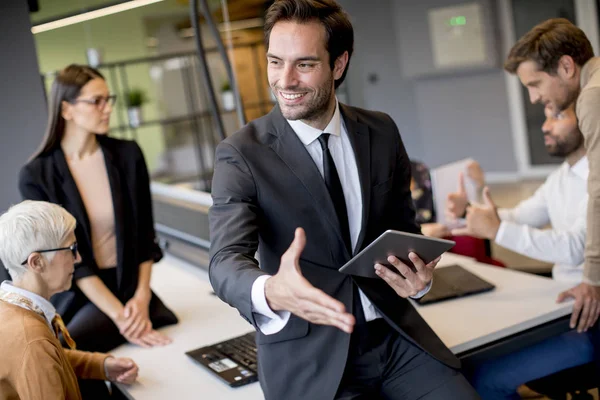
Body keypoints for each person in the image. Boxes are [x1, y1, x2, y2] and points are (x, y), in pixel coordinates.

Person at [208, 1, 480, 399]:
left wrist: (418, 281)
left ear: (338, 65)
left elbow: (404, 231)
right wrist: (269, 290)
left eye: (304, 64)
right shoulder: (242, 153)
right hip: (311, 356)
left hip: (394, 336)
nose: (285, 80)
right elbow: (224, 260)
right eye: (275, 61)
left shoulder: (381, 130)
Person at [18, 64, 177, 355]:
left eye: (108, 99)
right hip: (82, 293)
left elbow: (145, 238)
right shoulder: (37, 175)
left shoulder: (127, 155)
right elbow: (69, 260)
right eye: (96, 101)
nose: (107, 109)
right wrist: (122, 317)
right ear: (66, 109)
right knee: (70, 350)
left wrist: (140, 300)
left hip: (130, 287)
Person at [446, 104, 595, 398]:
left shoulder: (595, 179)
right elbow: (519, 216)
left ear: (589, 121)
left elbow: (575, 248)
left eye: (558, 116)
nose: (545, 126)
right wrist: (471, 211)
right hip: (560, 312)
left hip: (588, 322)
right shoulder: (561, 178)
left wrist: (496, 229)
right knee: (469, 367)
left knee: (484, 379)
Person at [503, 17, 600, 334]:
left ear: (567, 67)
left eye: (535, 84)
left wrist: (592, 279)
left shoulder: (592, 96)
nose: (533, 98)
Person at [0, 200, 139, 400]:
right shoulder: (32, 340)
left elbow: (50, 359)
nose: (79, 258)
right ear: (37, 262)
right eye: (71, 249)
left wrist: (101, 366)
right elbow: (39, 354)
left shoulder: (11, 307)